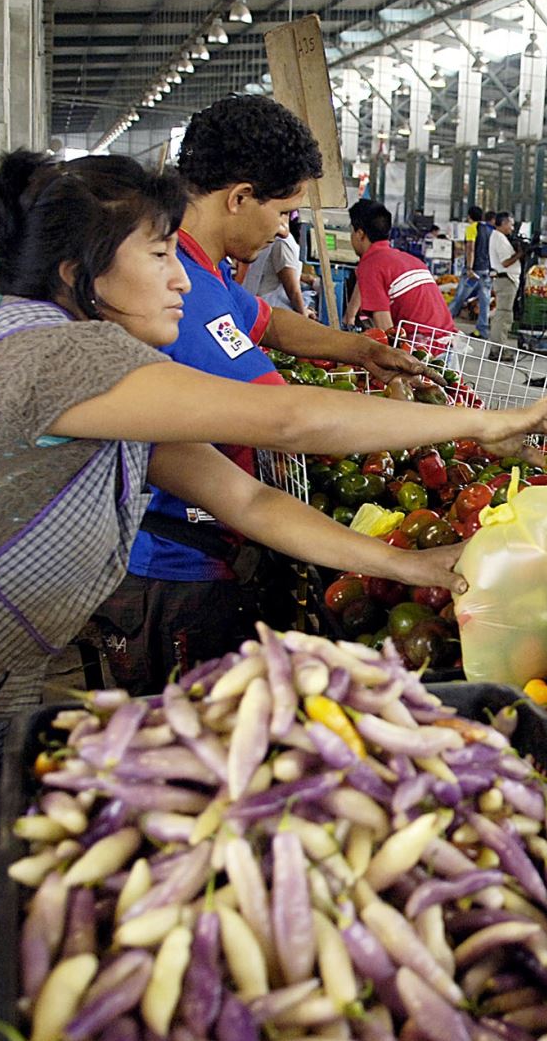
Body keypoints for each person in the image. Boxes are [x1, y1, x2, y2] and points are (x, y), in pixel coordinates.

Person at [0, 151, 547, 1041]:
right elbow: (284, 412)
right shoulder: (60, 357)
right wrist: (486, 424)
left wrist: (417, 567)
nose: (177, 274)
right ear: (79, 274)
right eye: (157, 251)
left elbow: (242, 494)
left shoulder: (95, 379)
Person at [90, 95, 423, 697]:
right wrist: (471, 424)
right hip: (175, 574)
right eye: (284, 211)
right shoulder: (169, 298)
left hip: (215, 542)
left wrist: (357, 348)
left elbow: (263, 320)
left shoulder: (202, 267)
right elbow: (290, 418)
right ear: (240, 197)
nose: (283, 228)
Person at [347, 199, 458, 343]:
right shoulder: (405, 259)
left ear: (360, 234)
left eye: (351, 232)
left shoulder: (372, 265)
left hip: (423, 348)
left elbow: (386, 330)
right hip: (448, 342)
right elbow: (363, 286)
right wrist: (349, 317)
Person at [242, 212, 309, 314]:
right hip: (271, 307)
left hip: (256, 303)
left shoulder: (270, 239)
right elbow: (292, 290)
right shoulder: (283, 243)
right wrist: (303, 313)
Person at [448, 204, 494, 337]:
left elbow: (471, 248)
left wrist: (469, 268)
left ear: (469, 216)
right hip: (486, 271)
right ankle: (482, 330)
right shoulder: (489, 230)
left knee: (459, 298)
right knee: (485, 301)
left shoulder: (471, 228)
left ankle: (442, 324)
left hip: (473, 272)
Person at [490, 210, 523, 347]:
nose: (512, 228)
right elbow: (505, 262)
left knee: (504, 315)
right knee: (503, 316)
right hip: (506, 280)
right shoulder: (499, 238)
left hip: (506, 280)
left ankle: (498, 347)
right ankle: (497, 349)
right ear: (504, 223)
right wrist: (520, 253)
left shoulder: (499, 237)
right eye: (511, 224)